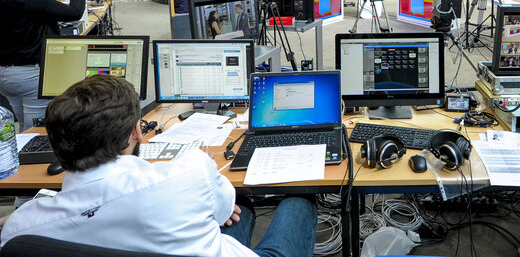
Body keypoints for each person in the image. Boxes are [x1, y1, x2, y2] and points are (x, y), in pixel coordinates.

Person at [0, 75, 317, 256]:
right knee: (300, 200)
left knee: (242, 210)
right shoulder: (191, 172)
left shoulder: (19, 229)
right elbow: (222, 210)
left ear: (53, 143)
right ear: (137, 131)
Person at [0, 0, 92, 131]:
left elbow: (24, 17)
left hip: (6, 74)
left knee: (24, 129)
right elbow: (75, 12)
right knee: (38, 131)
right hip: (31, 74)